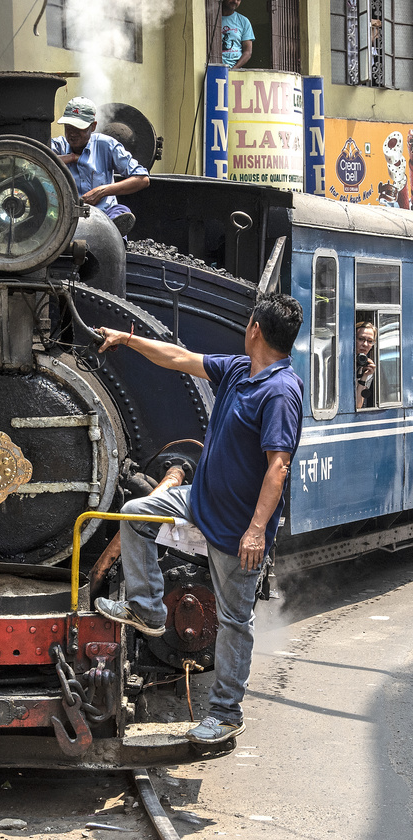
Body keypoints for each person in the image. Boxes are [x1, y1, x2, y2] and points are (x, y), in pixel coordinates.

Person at [93, 293, 304, 745]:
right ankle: (147, 608)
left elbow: (278, 467)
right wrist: (127, 339)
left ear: (255, 330)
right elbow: (178, 357)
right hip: (199, 501)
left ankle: (226, 714)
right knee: (135, 513)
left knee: (233, 621)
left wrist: (255, 531)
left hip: (236, 529)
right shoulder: (236, 370)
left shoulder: (280, 392)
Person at [51, 96, 150, 236]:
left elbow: (143, 179)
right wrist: (71, 157)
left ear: (93, 126)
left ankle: (111, 233)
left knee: (121, 211)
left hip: (104, 215)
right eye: (68, 127)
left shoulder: (107, 145)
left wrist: (103, 191)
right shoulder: (57, 145)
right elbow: (36, 159)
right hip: (67, 217)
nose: (72, 133)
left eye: (78, 128)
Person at [220, 0, 254, 69]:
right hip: (214, 68)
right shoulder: (212, 18)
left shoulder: (244, 21)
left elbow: (248, 52)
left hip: (235, 70)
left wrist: (235, 68)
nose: (235, 1)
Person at [355, 320, 377, 409]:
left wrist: (364, 376)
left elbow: (358, 405)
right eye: (361, 339)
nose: (365, 344)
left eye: (370, 341)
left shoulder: (367, 366)